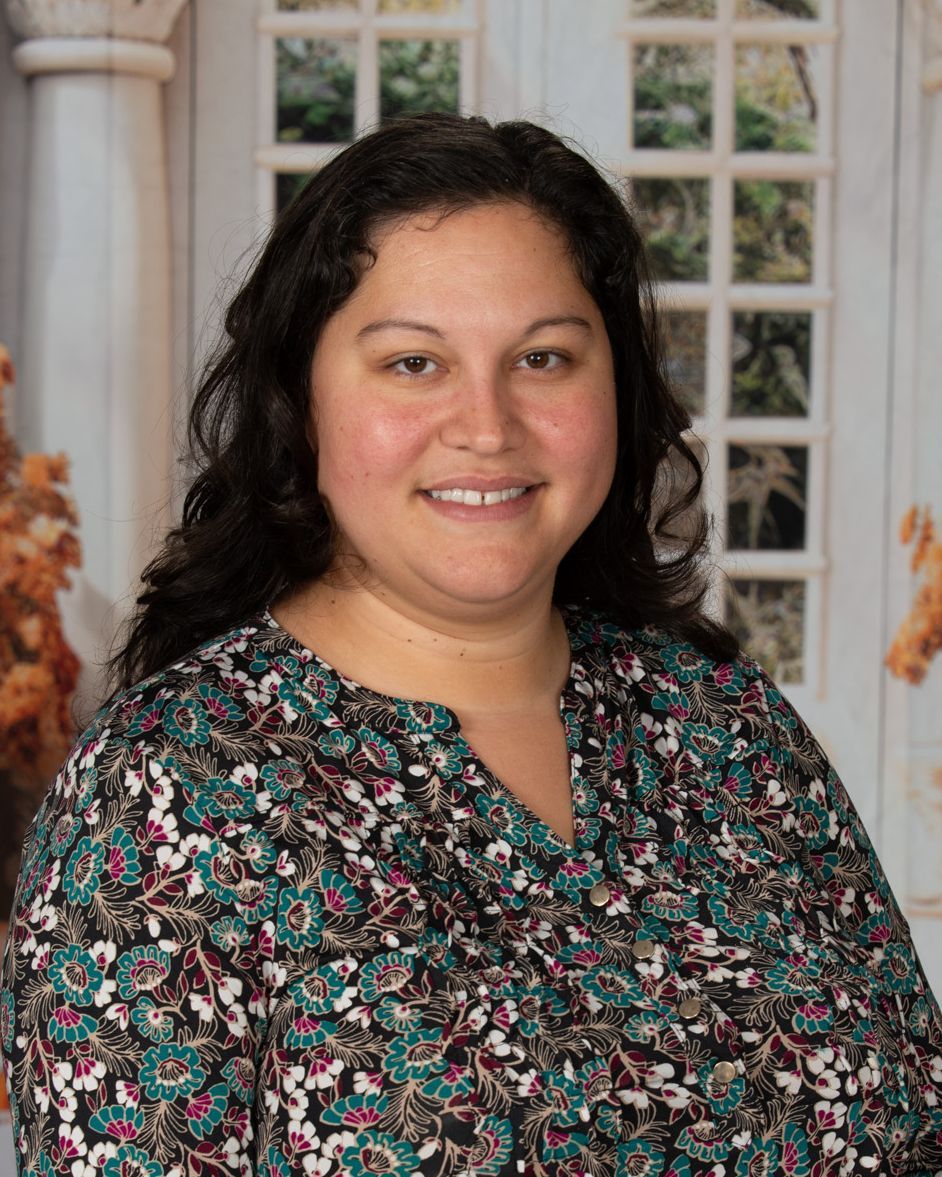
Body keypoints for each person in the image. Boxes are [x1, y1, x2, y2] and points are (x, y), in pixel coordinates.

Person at [1, 112, 940, 1177]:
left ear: (616, 390)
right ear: (300, 400)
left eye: (543, 356)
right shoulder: (164, 793)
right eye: (413, 362)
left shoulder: (727, 723)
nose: (487, 424)